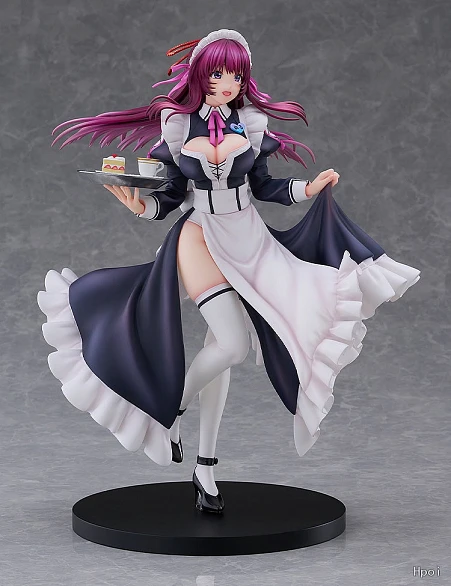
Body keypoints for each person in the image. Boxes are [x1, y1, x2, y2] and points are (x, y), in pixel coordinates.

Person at [37, 29, 420, 514]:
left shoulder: (251, 123)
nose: (229, 84)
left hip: (249, 239)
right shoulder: (178, 125)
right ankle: (170, 407)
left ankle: (205, 467)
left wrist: (308, 188)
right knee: (234, 345)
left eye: (237, 75)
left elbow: (265, 187)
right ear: (202, 75)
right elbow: (169, 196)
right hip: (199, 236)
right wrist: (141, 207)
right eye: (219, 74)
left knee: (222, 348)